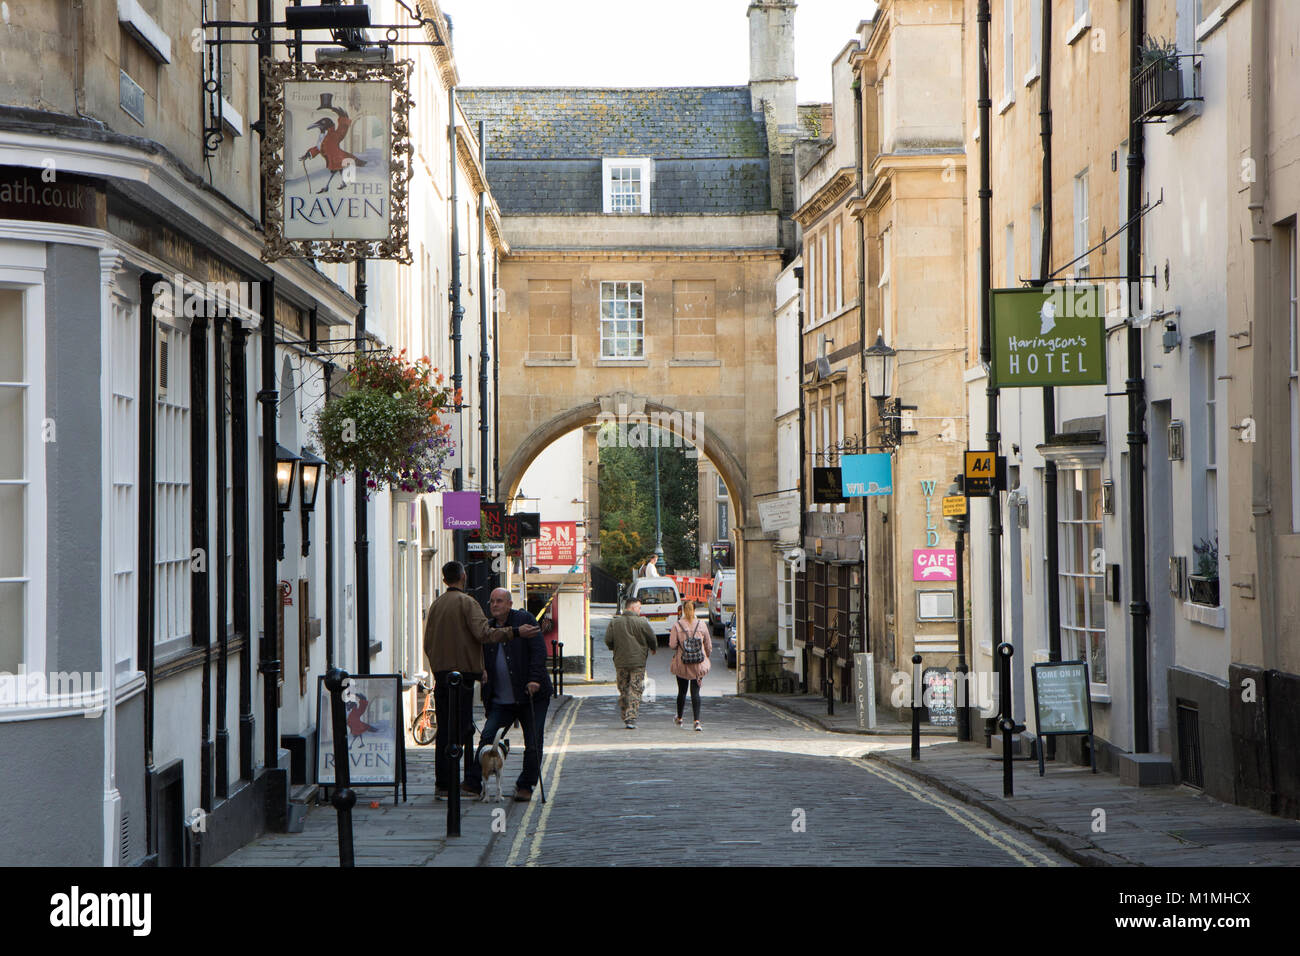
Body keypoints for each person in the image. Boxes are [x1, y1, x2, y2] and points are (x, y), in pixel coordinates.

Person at [423, 561, 539, 798]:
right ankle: (467, 783)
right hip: (462, 677)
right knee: (464, 730)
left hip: (442, 675)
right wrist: (515, 632)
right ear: (463, 576)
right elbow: (484, 634)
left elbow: (428, 643)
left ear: (445, 580)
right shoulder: (468, 603)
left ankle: (443, 783)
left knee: (444, 730)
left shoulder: (436, 605)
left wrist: (438, 668)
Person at [465, 588, 553, 802]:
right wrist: (481, 670)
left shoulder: (524, 619)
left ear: (510, 604)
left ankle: (526, 785)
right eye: (492, 601)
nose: (495, 605)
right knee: (487, 737)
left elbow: (538, 651)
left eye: (500, 601)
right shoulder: (489, 629)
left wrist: (534, 679)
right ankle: (476, 782)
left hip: (531, 696)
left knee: (533, 741)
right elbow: (479, 654)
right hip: (501, 700)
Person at [604, 598, 656, 729]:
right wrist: (653, 647)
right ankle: (631, 717)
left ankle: (624, 714)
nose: (640, 610)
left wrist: (614, 648)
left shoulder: (615, 622)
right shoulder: (642, 622)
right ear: (632, 608)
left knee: (623, 689)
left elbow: (608, 640)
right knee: (635, 689)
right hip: (638, 662)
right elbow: (652, 638)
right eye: (639, 607)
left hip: (620, 662)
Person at [668, 599, 712, 731]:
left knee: (681, 691)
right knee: (695, 692)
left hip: (682, 663)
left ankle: (680, 718)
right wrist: (705, 657)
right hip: (698, 664)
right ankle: (697, 721)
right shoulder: (702, 625)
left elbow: (672, 645)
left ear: (682, 610)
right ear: (694, 610)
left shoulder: (677, 625)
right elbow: (708, 645)